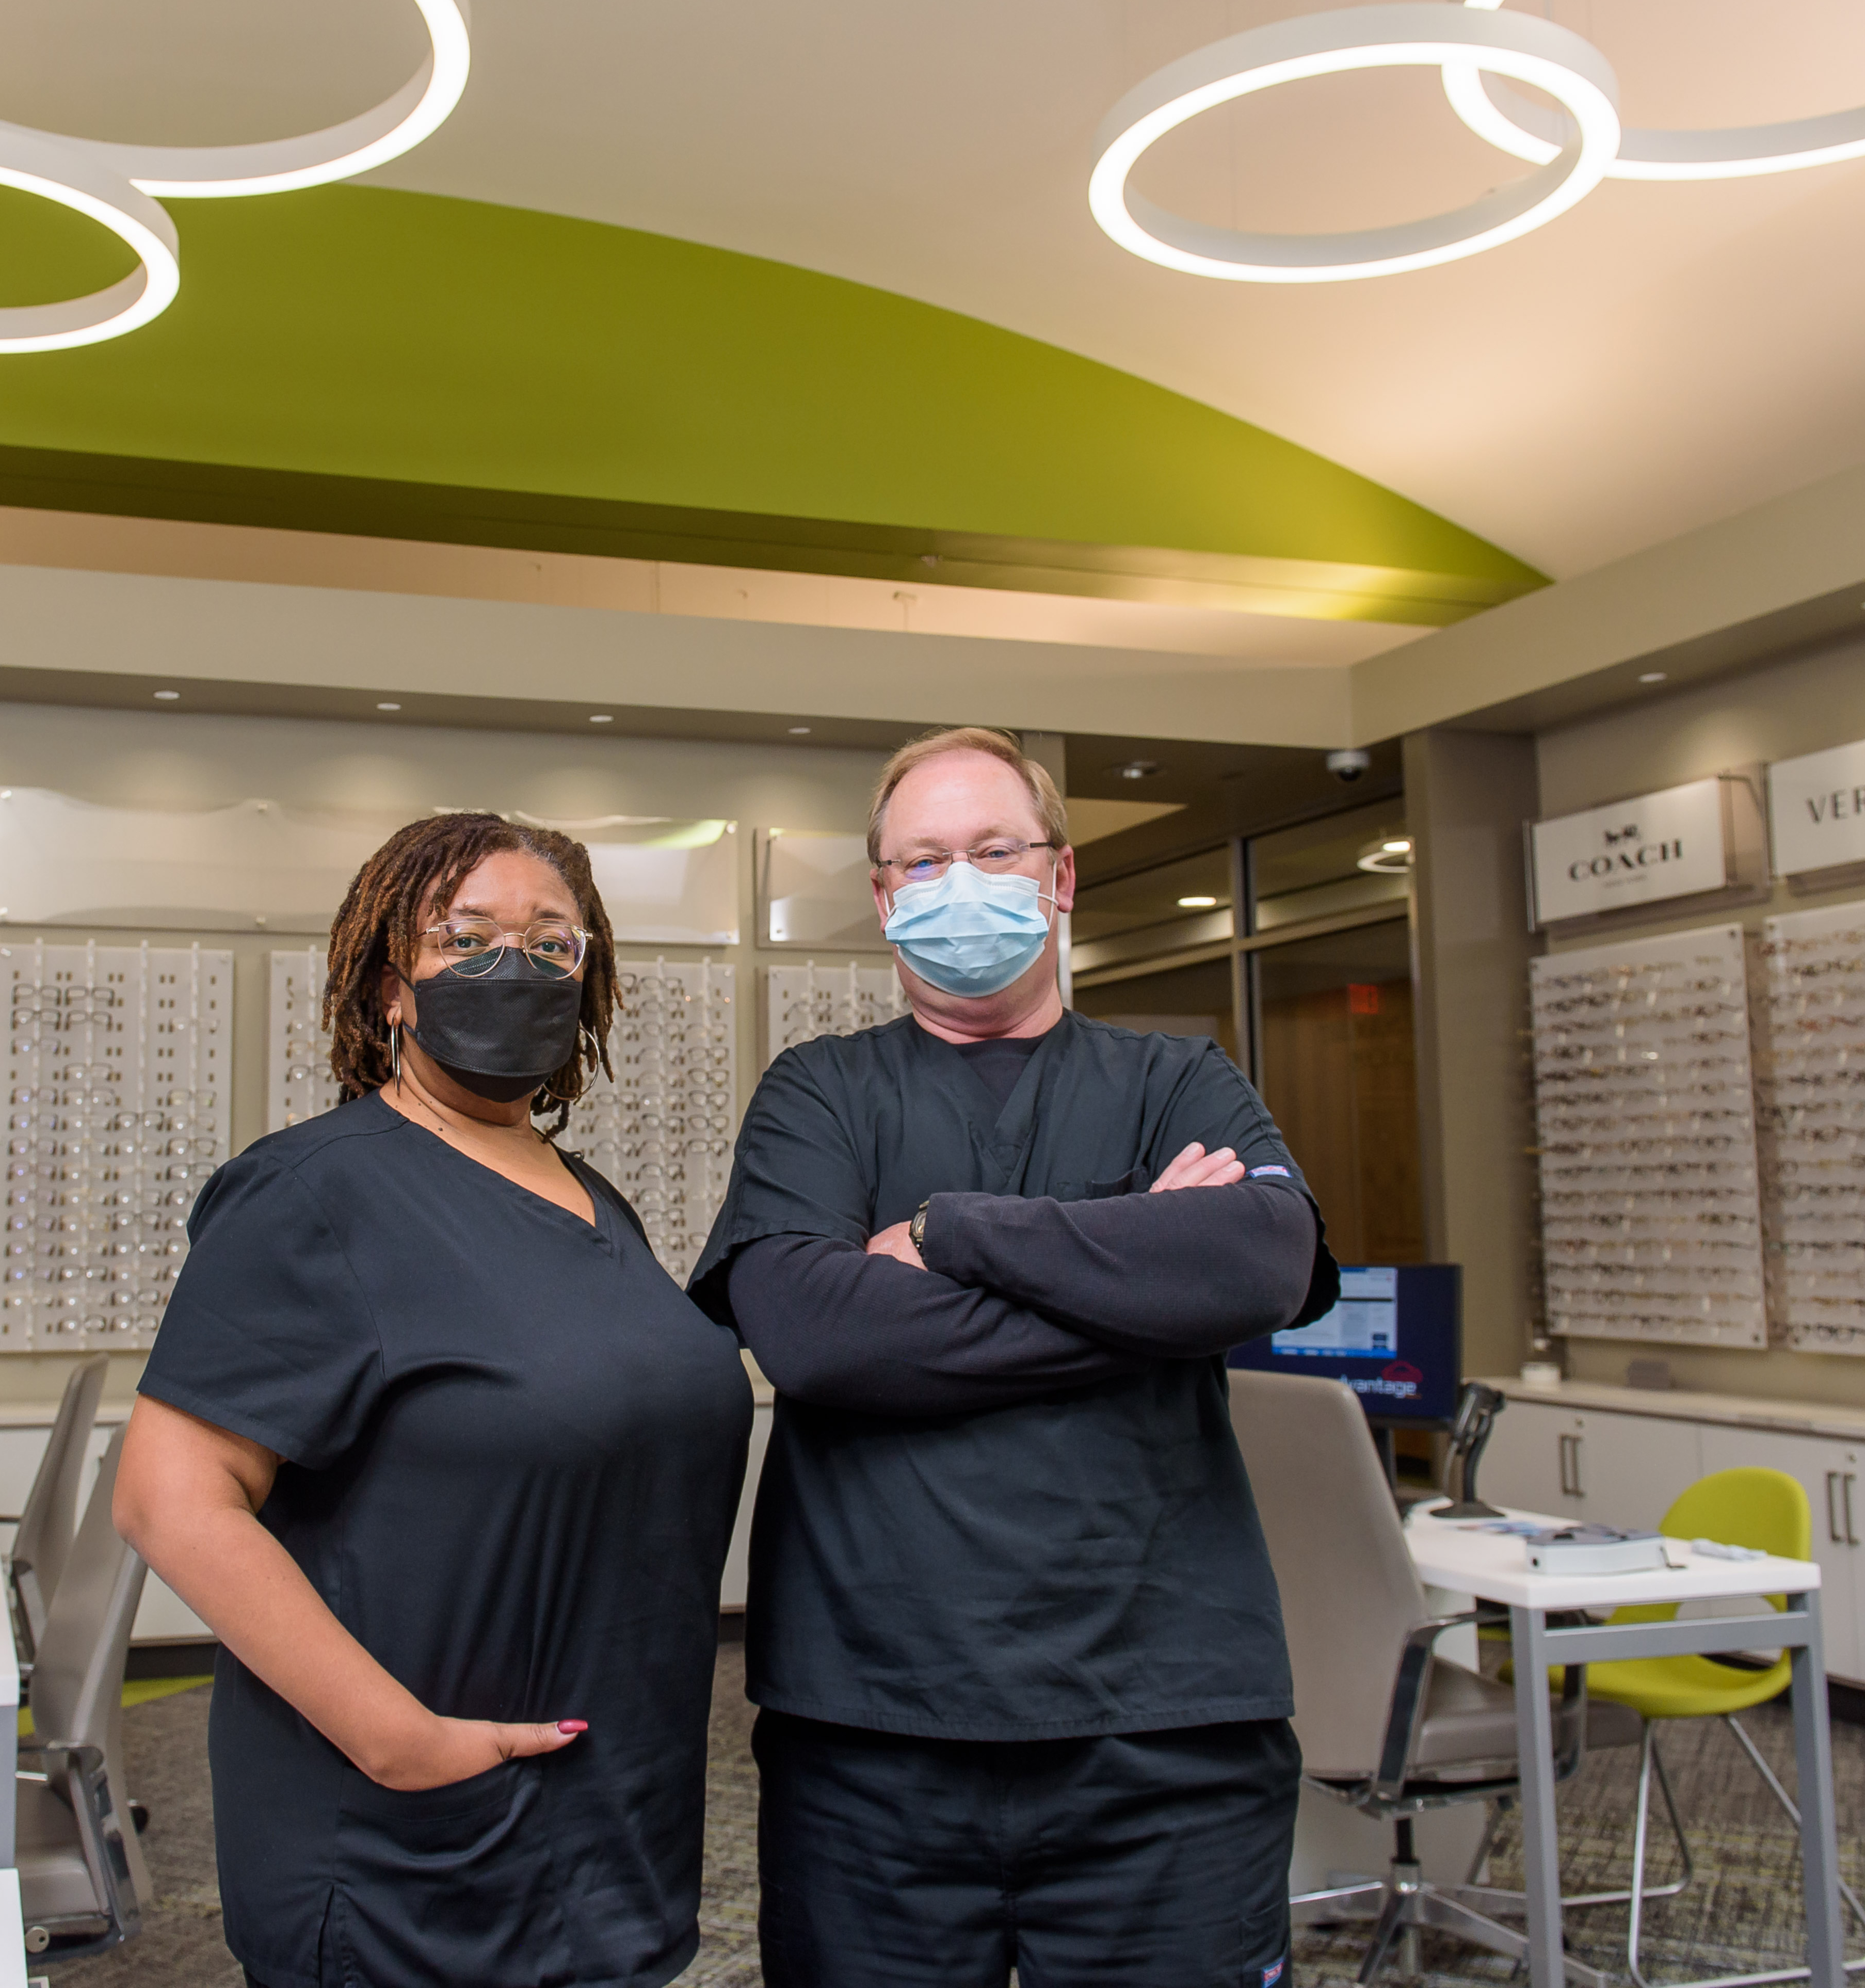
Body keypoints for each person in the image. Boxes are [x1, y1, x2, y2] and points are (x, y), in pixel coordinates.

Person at [690, 726, 1337, 1988]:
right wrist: (1137, 1285)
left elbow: (1262, 1261)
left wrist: (951, 1233)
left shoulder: (1176, 1078)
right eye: (924, 860)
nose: (960, 882)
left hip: (1167, 1733)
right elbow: (814, 1335)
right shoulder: (819, 1093)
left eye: (994, 851)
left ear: (1060, 875)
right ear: (883, 896)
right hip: (870, 1737)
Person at [114, 812, 754, 1988]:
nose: (515, 965)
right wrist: (396, 1739)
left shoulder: (588, 1196)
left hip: (607, 1822)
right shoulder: (311, 1193)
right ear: (389, 990)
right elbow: (170, 1499)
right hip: (413, 1850)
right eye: (465, 938)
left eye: (551, 943)